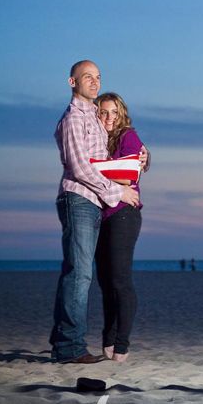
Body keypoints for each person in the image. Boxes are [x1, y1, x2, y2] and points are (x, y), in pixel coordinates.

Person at [50, 60, 141, 363]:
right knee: (80, 274)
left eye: (98, 77)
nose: (94, 81)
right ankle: (69, 348)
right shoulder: (75, 118)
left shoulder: (94, 116)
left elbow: (118, 152)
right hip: (79, 199)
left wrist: (143, 155)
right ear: (72, 82)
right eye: (86, 77)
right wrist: (119, 192)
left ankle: (64, 340)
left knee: (81, 273)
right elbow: (79, 168)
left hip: (94, 203)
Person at [95, 92, 146, 363]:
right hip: (100, 217)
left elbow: (128, 177)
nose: (109, 117)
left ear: (122, 113)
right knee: (104, 282)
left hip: (124, 214)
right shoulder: (97, 140)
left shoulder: (128, 136)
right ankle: (108, 338)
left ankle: (122, 344)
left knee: (120, 281)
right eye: (103, 112)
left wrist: (96, 170)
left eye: (114, 112)